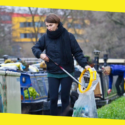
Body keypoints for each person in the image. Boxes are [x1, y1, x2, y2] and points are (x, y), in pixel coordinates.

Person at [32, 13, 91, 116]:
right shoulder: (45, 37)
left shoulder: (69, 36)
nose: (48, 28)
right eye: (47, 26)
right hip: (52, 72)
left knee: (65, 97)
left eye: (51, 25)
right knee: (53, 98)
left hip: (67, 72)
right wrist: (41, 55)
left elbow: (77, 52)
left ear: (57, 23)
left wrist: (85, 65)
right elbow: (35, 48)